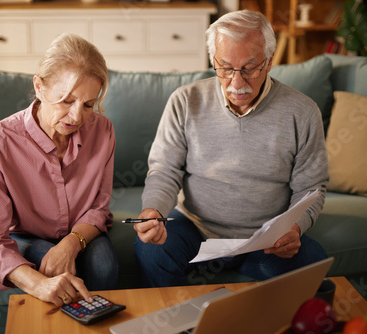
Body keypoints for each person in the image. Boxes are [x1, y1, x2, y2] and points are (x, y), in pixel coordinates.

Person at [133, 10, 329, 287]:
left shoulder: (303, 112)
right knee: (152, 251)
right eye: (225, 68)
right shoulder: (185, 101)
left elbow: (311, 188)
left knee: (314, 267)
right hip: (194, 228)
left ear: (270, 61)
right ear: (213, 61)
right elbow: (164, 170)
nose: (237, 84)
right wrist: (154, 210)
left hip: (267, 236)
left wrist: (295, 228)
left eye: (250, 68)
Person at [0, 33, 118, 306]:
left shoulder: (103, 131)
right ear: (39, 86)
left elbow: (98, 207)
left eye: (87, 105)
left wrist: (70, 244)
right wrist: (39, 285)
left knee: (104, 266)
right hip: (18, 232)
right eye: (66, 101)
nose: (76, 117)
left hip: (76, 229)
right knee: (48, 261)